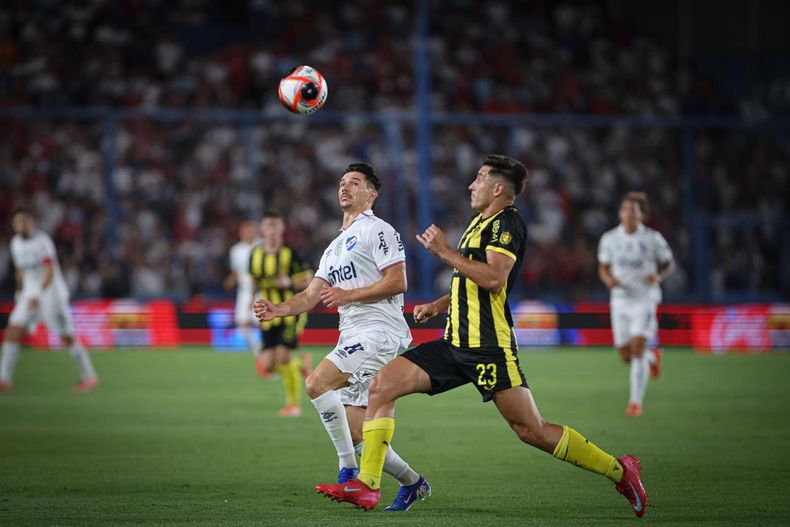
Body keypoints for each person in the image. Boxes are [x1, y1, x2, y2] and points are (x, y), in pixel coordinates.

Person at [316, 155, 648, 518]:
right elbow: (471, 279)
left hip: (488, 346)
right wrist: (442, 303)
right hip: (454, 340)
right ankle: (368, 485)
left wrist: (444, 252)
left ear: (498, 188)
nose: (471, 185)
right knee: (382, 386)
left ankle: (619, 469)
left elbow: (492, 279)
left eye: (478, 178)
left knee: (530, 430)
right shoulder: (478, 223)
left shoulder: (508, 223)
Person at [253, 163, 426, 509]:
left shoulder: (378, 230)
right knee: (358, 433)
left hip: (379, 331)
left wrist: (347, 296)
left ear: (371, 193)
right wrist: (278, 309)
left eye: (355, 183)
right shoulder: (333, 248)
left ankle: (347, 471)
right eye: (342, 183)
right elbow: (309, 296)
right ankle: (413, 482)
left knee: (317, 383)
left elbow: (398, 281)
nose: (345, 188)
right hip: (353, 333)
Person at [0, 208, 98, 392]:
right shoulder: (15, 244)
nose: (22, 225)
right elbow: (20, 271)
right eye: (18, 222)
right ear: (13, 225)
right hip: (28, 294)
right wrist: (19, 293)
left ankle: (89, 375)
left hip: (51, 294)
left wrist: (37, 295)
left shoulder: (42, 241)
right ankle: (4, 379)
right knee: (12, 330)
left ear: (31, 222)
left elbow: (49, 271)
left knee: (65, 335)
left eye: (25, 221)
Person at [597, 192, 675, 417]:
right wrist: (608, 279)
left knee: (638, 347)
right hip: (620, 299)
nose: (629, 213)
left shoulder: (652, 238)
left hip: (645, 299)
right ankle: (653, 357)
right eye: (625, 209)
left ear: (643, 215)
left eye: (634, 210)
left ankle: (635, 403)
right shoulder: (610, 238)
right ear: (620, 213)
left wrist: (659, 275)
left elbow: (669, 263)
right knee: (625, 355)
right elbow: (603, 266)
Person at [249, 210, 314, 417]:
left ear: (282, 228)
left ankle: (293, 405)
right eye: (269, 225)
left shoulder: (291, 254)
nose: (272, 229)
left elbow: (310, 280)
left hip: (289, 311)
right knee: (267, 365)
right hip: (268, 313)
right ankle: (301, 365)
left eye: (276, 225)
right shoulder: (255, 254)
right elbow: (254, 281)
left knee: (283, 357)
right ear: (262, 228)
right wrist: (253, 302)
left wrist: (290, 282)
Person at [224, 220, 264, 375]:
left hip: (261, 289)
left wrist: (253, 296)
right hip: (243, 291)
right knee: (242, 323)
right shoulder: (236, 250)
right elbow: (237, 270)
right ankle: (258, 350)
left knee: (261, 322)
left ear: (255, 231)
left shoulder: (262, 246)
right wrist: (230, 279)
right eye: (244, 231)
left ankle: (267, 352)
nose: (247, 233)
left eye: (250, 230)